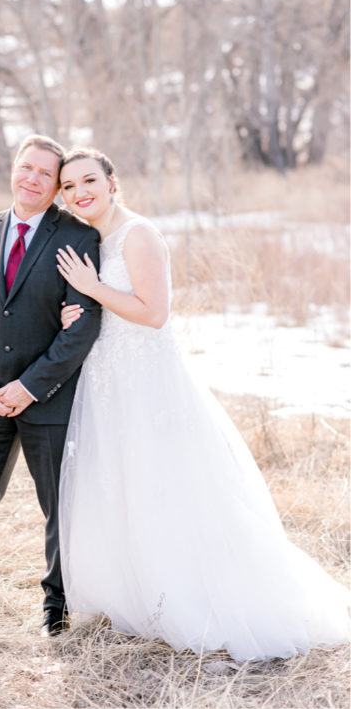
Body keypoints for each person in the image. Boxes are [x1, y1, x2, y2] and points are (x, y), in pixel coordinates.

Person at [55, 147, 351, 661]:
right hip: (109, 381)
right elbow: (104, 310)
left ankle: (197, 597)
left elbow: (154, 314)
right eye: (69, 187)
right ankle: (142, 597)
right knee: (124, 483)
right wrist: (74, 313)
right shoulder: (90, 239)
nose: (79, 192)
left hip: (149, 382)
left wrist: (93, 288)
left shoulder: (138, 234)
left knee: (170, 486)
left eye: (88, 180)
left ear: (111, 181)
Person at [0, 134, 102, 635]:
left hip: (49, 398)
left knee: (59, 506)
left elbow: (82, 326)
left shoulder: (78, 237)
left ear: (57, 186)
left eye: (45, 174)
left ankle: (57, 611)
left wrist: (30, 387)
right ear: (13, 169)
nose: (32, 179)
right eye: (25, 167)